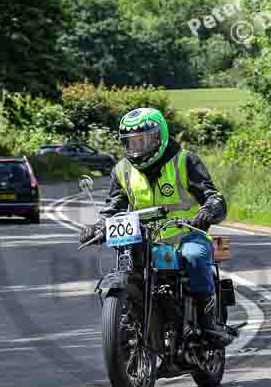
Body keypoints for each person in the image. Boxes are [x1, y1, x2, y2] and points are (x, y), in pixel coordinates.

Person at [79, 107, 228, 337]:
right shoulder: (121, 171)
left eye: (144, 141)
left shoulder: (184, 160)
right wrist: (99, 227)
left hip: (186, 234)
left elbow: (213, 196)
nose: (138, 148)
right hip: (144, 238)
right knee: (130, 267)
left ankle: (209, 324)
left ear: (160, 136)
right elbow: (114, 209)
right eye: (132, 142)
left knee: (194, 257)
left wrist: (208, 212)